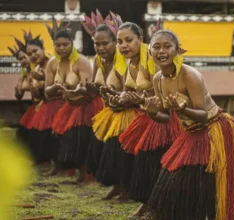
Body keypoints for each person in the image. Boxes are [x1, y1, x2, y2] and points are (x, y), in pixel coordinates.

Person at [144, 29, 234, 220]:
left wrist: (182, 110)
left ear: (178, 51)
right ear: (150, 52)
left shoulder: (189, 75)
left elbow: (203, 116)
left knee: (207, 184)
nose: (162, 51)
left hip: (214, 128)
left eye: (167, 46)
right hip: (192, 131)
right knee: (176, 180)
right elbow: (166, 117)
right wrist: (151, 112)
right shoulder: (157, 80)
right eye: (156, 47)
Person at [105, 20, 182, 217]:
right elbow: (130, 92)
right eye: (120, 41)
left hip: (166, 117)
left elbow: (165, 93)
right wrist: (119, 98)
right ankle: (148, 203)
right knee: (144, 162)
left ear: (141, 39)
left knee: (156, 161)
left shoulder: (152, 59)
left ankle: (157, 206)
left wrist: (138, 99)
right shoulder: (130, 63)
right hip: (148, 116)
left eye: (128, 40)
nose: (123, 45)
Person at [45, 19, 104, 182]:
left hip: (87, 104)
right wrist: (56, 88)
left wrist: (75, 90)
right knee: (69, 139)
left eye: (65, 44)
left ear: (72, 43)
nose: (61, 48)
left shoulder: (81, 61)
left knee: (82, 138)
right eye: (58, 45)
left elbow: (89, 90)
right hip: (70, 106)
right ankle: (80, 172)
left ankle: (88, 175)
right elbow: (47, 90)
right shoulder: (52, 63)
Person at [92, 18, 139, 201]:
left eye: (105, 43)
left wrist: (114, 94)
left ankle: (127, 189)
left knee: (123, 153)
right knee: (110, 151)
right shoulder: (98, 60)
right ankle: (117, 187)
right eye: (97, 44)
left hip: (128, 113)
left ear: (114, 42)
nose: (101, 48)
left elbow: (130, 90)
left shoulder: (123, 62)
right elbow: (97, 87)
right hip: (111, 112)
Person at [26, 33, 63, 173]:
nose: (33, 55)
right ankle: (49, 162)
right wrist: (34, 89)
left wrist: (43, 79)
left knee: (55, 135)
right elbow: (37, 95)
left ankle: (59, 165)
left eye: (35, 51)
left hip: (59, 103)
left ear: (42, 49)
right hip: (46, 104)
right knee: (44, 135)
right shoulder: (34, 69)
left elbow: (60, 82)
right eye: (30, 54)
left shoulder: (53, 62)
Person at [8, 31, 34, 148]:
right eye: (20, 59)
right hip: (35, 106)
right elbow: (18, 97)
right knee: (22, 131)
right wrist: (18, 89)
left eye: (25, 57)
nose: (23, 60)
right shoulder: (23, 72)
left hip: (46, 105)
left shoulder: (39, 67)